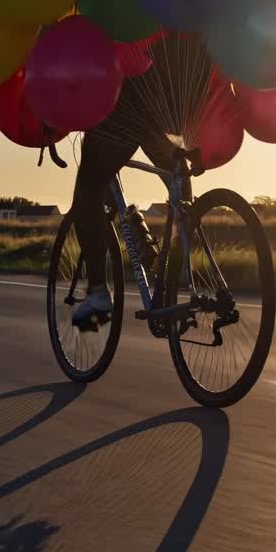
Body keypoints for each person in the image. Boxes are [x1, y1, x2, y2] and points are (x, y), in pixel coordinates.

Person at [70, 32, 215, 331]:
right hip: (193, 86)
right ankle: (169, 279)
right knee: (178, 182)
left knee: (89, 185)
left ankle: (97, 293)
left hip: (139, 86)